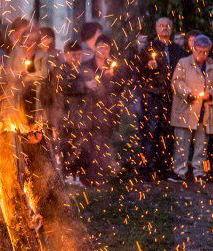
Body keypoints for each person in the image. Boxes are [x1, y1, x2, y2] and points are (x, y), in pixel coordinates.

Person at [136, 18, 186, 180]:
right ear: (156, 28)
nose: (165, 28)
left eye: (168, 26)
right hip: (153, 95)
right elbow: (138, 70)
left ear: (171, 29)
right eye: (161, 26)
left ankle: (164, 168)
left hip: (171, 97)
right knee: (151, 130)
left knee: (168, 132)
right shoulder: (148, 48)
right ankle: (147, 169)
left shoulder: (177, 49)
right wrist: (147, 66)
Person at [169, 35, 213, 184]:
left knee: (201, 146)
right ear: (193, 49)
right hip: (186, 110)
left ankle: (200, 172)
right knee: (182, 144)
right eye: (199, 51)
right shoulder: (183, 63)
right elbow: (176, 82)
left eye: (205, 52)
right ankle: (179, 171)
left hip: (204, 112)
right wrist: (188, 93)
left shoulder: (212, 67)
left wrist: (211, 95)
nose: (202, 55)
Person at [80, 36, 129, 184]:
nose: (103, 50)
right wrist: (89, 83)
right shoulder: (87, 65)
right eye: (100, 46)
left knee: (105, 142)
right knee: (91, 143)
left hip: (109, 111)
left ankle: (104, 173)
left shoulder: (114, 66)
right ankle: (89, 175)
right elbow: (82, 83)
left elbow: (121, 86)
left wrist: (113, 78)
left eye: (106, 47)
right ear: (95, 48)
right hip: (92, 111)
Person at [52, 40, 89, 183]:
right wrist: (85, 85)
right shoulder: (61, 69)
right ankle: (64, 175)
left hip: (78, 118)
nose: (77, 58)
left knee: (78, 147)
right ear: (66, 55)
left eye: (79, 55)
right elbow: (65, 86)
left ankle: (75, 175)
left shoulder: (80, 70)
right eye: (74, 55)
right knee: (64, 147)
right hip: (64, 117)